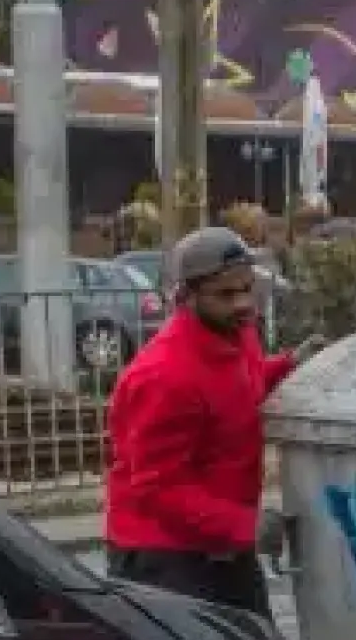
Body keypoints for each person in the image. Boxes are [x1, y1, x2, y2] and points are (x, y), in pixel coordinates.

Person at [104, 226, 324, 618]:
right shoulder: (165, 377)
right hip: (166, 561)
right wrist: (244, 525)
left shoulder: (236, 334)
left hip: (222, 546)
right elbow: (158, 490)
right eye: (226, 295)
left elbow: (242, 384)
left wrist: (290, 367)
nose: (243, 304)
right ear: (187, 298)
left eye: (247, 289)